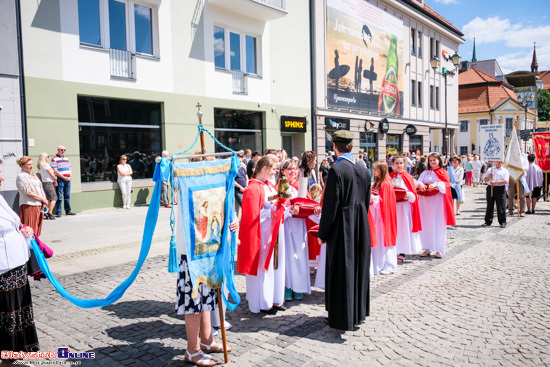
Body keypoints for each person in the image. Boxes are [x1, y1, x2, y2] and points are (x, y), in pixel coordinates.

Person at [318, 130, 371, 331]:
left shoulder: (337, 170)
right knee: (358, 267)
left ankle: (341, 317)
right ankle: (357, 312)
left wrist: (322, 234)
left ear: (334, 146)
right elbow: (365, 202)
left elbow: (330, 207)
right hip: (360, 225)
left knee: (341, 269)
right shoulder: (362, 168)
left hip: (343, 227)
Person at [237, 156, 294, 315]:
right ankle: (263, 302)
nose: (276, 171)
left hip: (275, 232)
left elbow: (278, 203)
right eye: (274, 168)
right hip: (262, 235)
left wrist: (286, 209)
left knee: (275, 266)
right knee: (264, 268)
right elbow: (251, 216)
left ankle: (275, 299)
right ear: (264, 169)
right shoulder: (253, 188)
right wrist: (271, 211)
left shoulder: (271, 186)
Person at [0, 160, 40, 366]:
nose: (2, 177)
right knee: (7, 315)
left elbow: (12, 224)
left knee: (19, 312)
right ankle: (6, 357)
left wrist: (24, 229)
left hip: (17, 268)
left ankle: (15, 354)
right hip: (3, 272)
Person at [277, 159, 313, 302]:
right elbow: (278, 207)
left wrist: (310, 208)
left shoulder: (301, 185)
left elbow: (308, 204)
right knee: (287, 256)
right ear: (283, 172)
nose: (292, 171)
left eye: (294, 169)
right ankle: (287, 286)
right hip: (286, 224)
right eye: (289, 169)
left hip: (300, 224)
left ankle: (299, 287)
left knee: (299, 255)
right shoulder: (281, 186)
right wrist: (289, 210)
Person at [416, 153, 455, 258]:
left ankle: (439, 249)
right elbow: (418, 181)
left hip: (438, 202)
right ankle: (426, 248)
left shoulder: (443, 172)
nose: (432, 162)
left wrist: (436, 184)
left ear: (439, 161)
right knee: (426, 224)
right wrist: (421, 184)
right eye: (431, 160)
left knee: (438, 224)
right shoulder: (425, 172)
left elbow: (446, 185)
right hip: (425, 202)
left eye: (434, 160)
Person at [390, 155, 422, 263]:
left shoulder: (407, 176)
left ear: (404, 164)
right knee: (393, 228)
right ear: (393, 164)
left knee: (403, 228)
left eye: (401, 163)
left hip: (404, 206)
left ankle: (402, 251)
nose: (399, 165)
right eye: (396, 163)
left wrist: (408, 195)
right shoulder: (390, 176)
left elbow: (413, 192)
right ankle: (392, 250)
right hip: (393, 206)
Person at [370, 161, 397, 275]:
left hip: (383, 215)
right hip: (377, 214)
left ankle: (389, 265)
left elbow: (384, 201)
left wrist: (372, 199)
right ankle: (379, 263)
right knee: (379, 238)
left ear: (382, 170)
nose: (373, 171)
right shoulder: (377, 182)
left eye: (375, 169)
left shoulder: (386, 183)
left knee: (385, 239)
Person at [15, 157, 48, 237]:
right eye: (29, 164)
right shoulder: (21, 176)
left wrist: (44, 201)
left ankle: (35, 246)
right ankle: (29, 247)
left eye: (32, 164)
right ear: (22, 165)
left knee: (37, 228)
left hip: (39, 205)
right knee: (30, 229)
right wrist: (42, 199)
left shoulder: (34, 175)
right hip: (29, 205)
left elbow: (41, 188)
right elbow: (28, 192)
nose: (31, 166)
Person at [481, 161, 509, 228]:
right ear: (495, 162)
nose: (499, 163)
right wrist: (489, 176)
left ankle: (502, 221)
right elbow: (485, 179)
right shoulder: (490, 169)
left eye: (501, 162)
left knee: (501, 205)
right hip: (491, 188)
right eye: (498, 162)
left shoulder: (505, 170)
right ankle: (488, 221)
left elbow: (506, 181)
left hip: (500, 188)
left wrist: (496, 183)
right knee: (490, 205)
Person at [51, 145, 76, 217]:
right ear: (58, 150)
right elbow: (55, 170)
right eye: (62, 150)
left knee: (67, 195)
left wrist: (70, 176)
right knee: (59, 195)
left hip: (68, 178)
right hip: (60, 179)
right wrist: (63, 177)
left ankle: (68, 210)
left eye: (64, 150)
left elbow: (69, 168)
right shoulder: (54, 159)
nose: (63, 151)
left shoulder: (66, 158)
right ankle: (59, 211)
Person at [37, 152, 57, 220]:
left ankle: (45, 213)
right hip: (48, 182)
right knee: (54, 198)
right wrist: (55, 179)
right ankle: (50, 212)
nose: (48, 158)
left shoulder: (41, 165)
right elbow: (51, 173)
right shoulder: (46, 164)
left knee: (48, 198)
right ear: (45, 157)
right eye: (48, 156)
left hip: (44, 183)